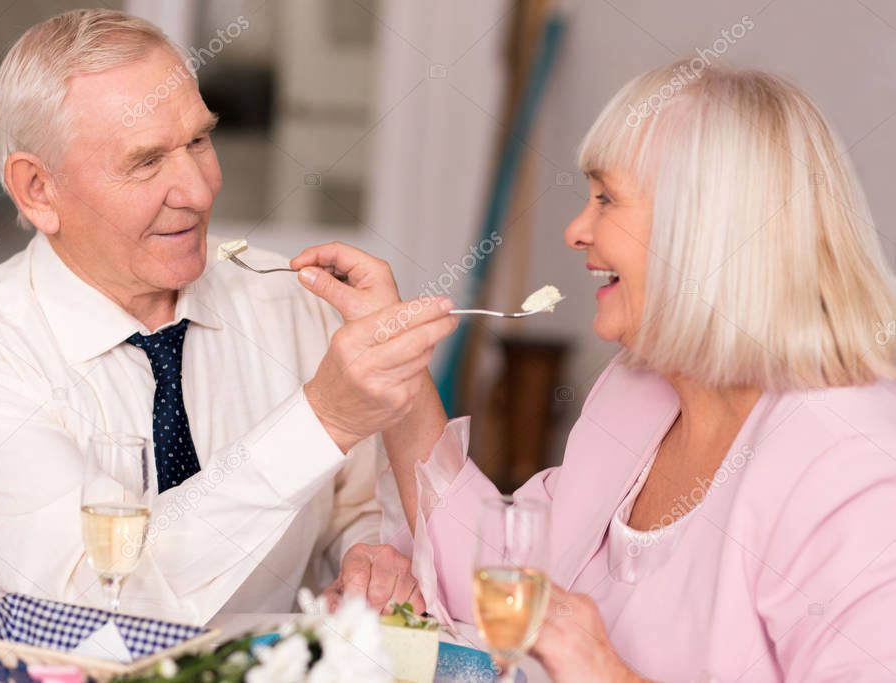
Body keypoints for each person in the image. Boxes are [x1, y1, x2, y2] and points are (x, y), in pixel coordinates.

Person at [295, 61, 896, 680]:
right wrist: (395, 358)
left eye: (606, 197)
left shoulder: (851, 464)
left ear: (706, 228)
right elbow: (513, 576)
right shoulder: (636, 392)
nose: (576, 230)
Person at [0, 9, 457, 624]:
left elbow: (351, 510)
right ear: (37, 190)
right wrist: (321, 419)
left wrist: (365, 560)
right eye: (145, 162)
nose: (199, 188)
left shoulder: (289, 301)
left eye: (197, 140)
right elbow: (94, 602)